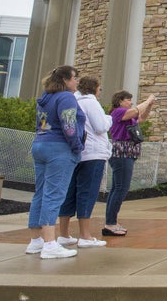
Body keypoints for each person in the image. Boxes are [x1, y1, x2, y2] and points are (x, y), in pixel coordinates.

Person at [25, 65, 86, 259]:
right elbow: (69, 126)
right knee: (54, 194)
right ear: (65, 80)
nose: (77, 81)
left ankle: (36, 241)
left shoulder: (45, 98)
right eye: (75, 77)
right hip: (59, 149)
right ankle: (50, 244)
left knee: (41, 193)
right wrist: (77, 147)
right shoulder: (66, 97)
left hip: (40, 144)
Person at [57, 76, 113, 248]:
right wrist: (109, 118)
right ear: (94, 88)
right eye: (100, 88)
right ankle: (85, 235)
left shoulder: (72, 101)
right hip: (93, 154)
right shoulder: (91, 102)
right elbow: (100, 126)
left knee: (70, 192)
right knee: (87, 193)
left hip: (75, 152)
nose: (100, 91)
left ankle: (64, 234)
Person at [103, 90, 156, 236]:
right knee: (121, 188)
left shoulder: (127, 116)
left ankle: (111, 221)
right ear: (120, 101)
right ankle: (110, 223)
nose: (130, 102)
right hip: (122, 153)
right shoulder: (118, 112)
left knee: (117, 188)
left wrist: (149, 105)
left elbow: (141, 118)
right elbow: (137, 110)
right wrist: (148, 99)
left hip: (127, 154)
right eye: (128, 100)